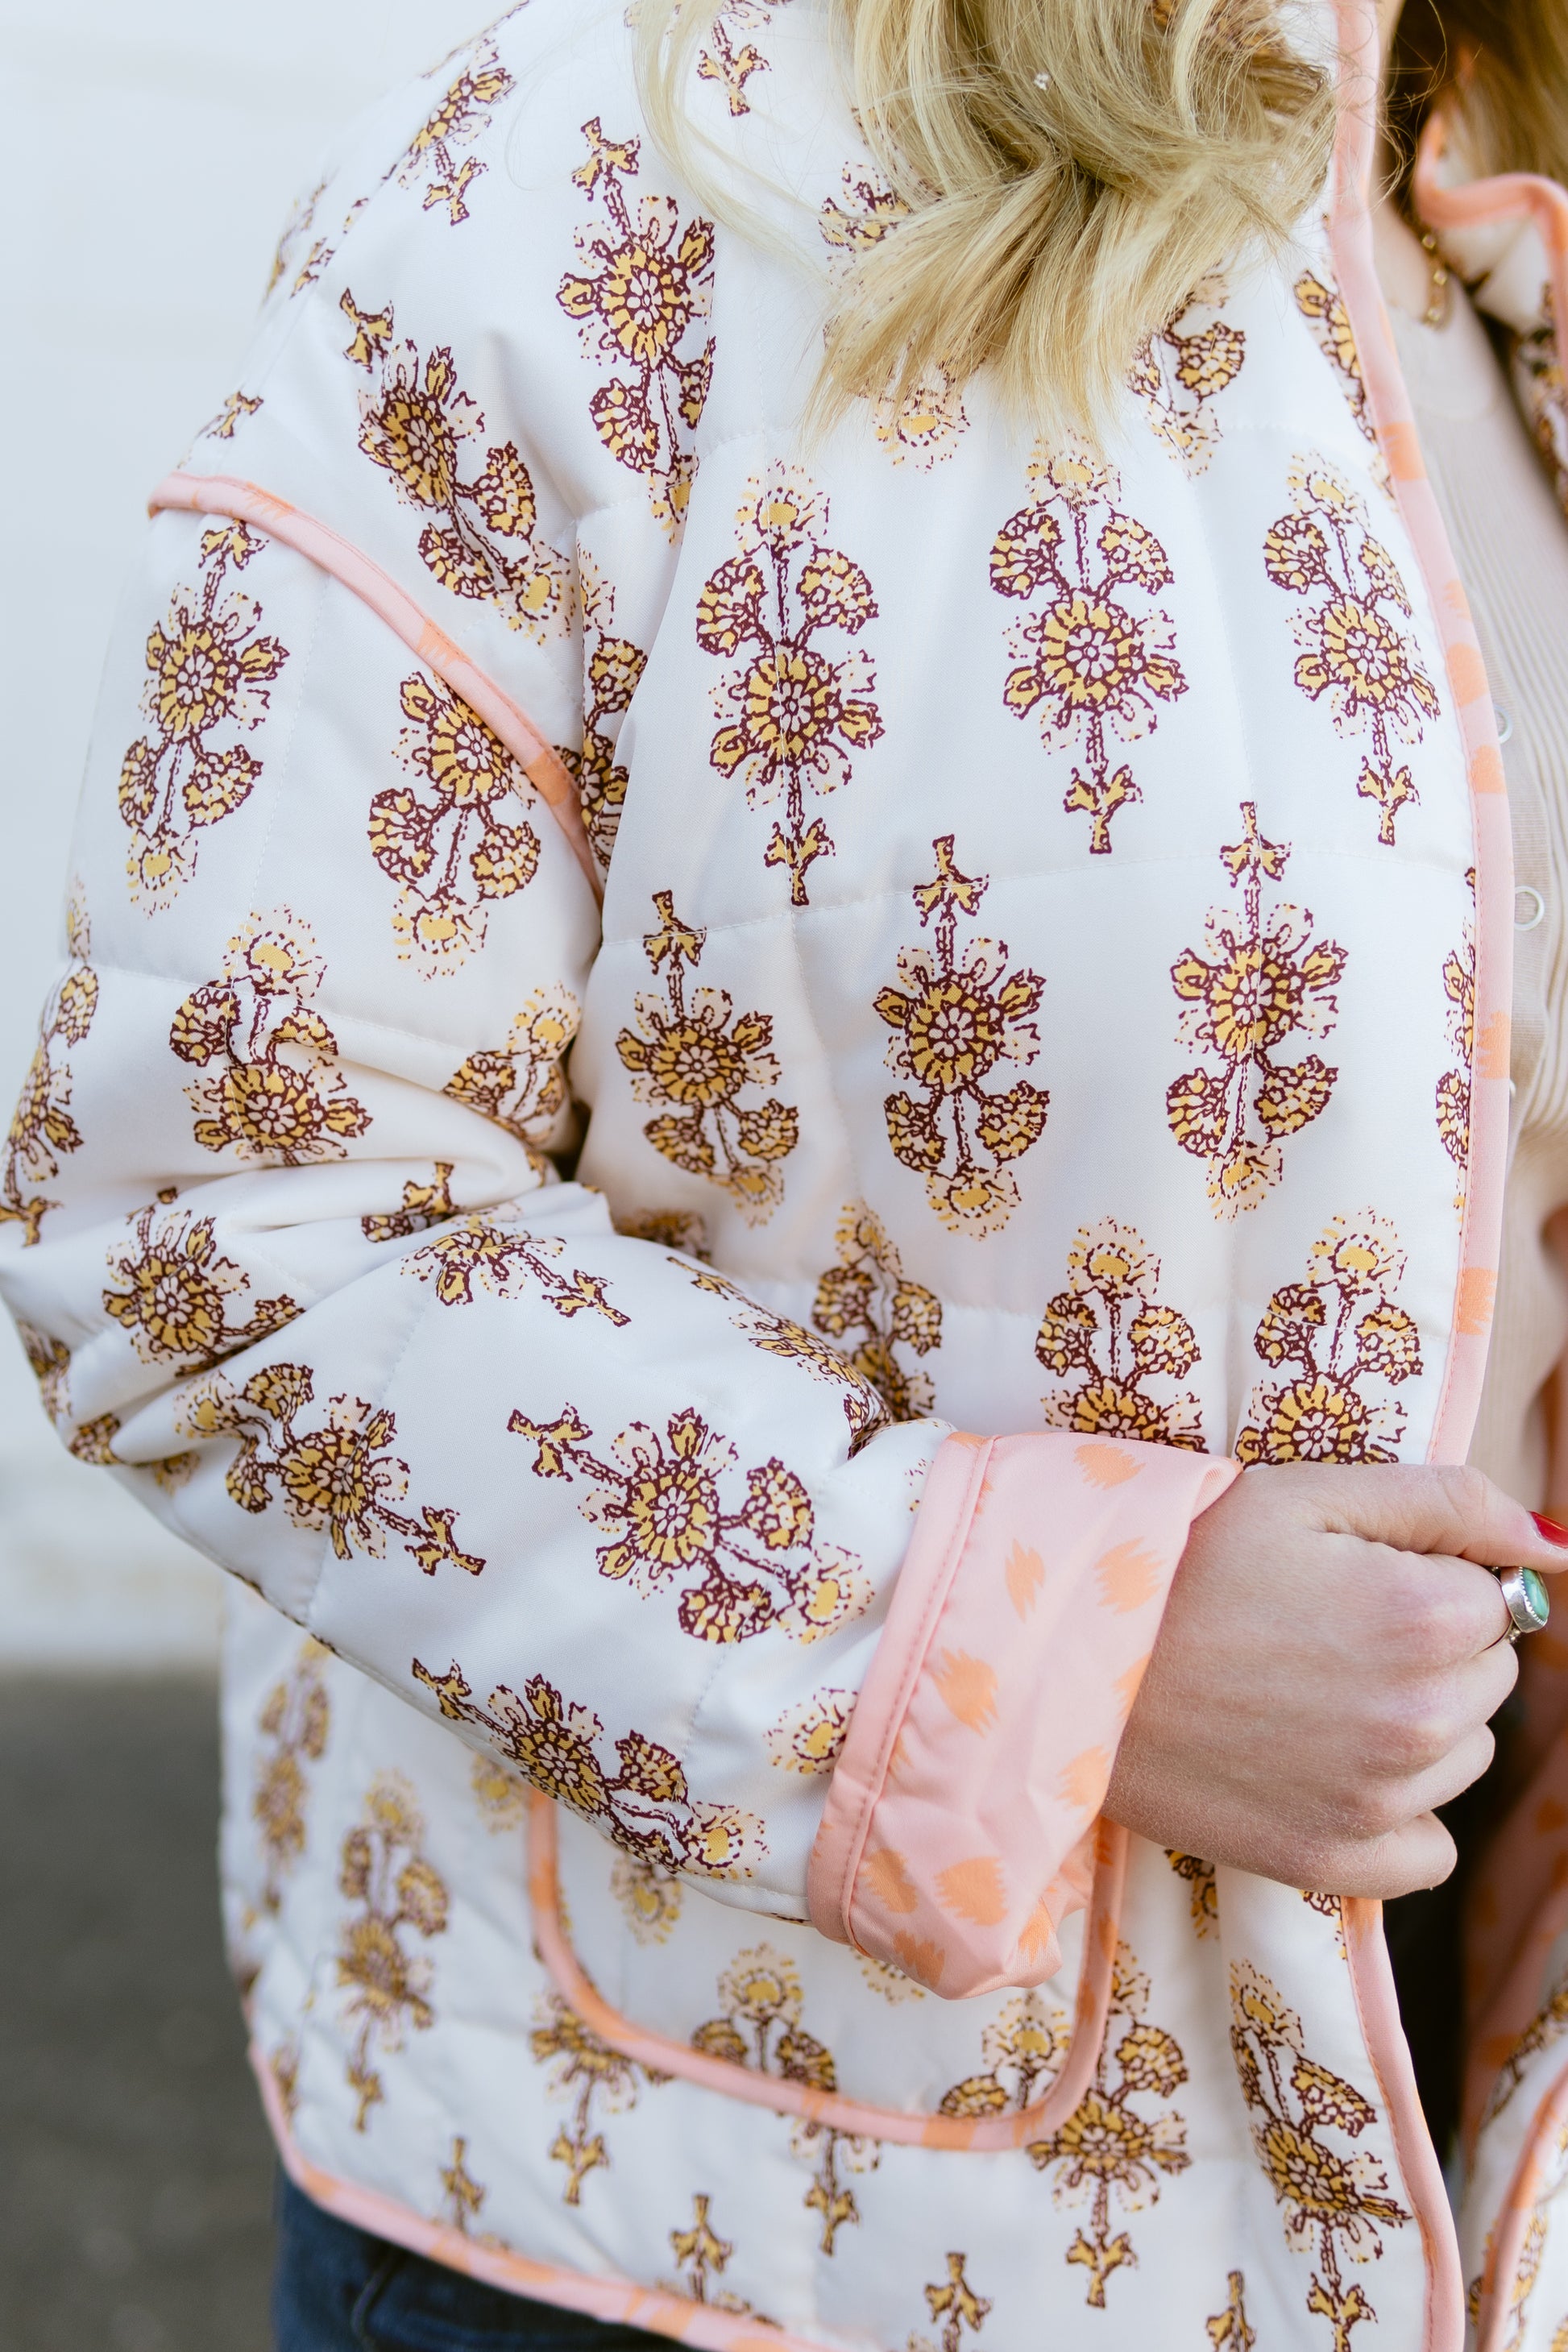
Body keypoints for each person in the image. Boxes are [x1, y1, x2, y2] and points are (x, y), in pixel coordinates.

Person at [9, 0, 1568, 2340]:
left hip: (1462, 2133)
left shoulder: (1483, 199)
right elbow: (210, 1217)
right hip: (743, 2207)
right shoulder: (583, 183)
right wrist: (1068, 1656)